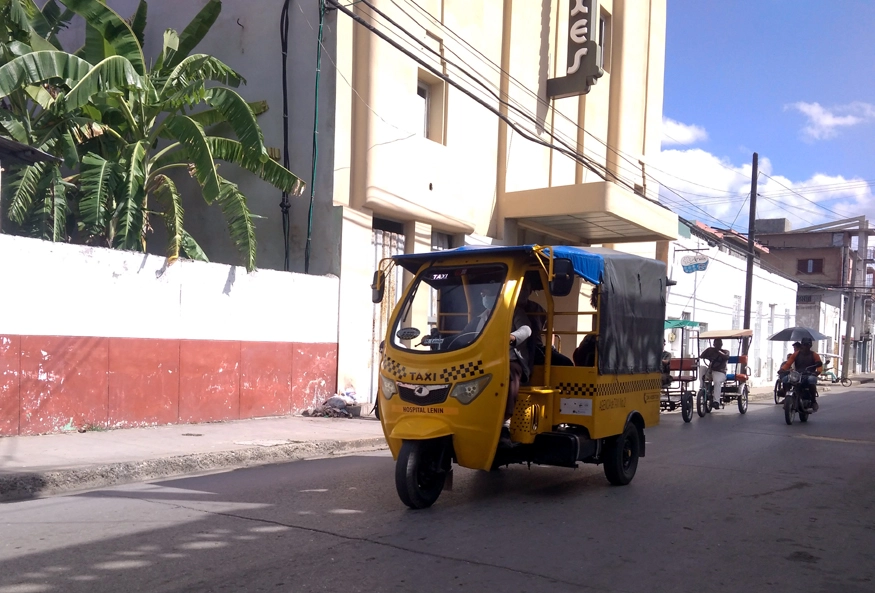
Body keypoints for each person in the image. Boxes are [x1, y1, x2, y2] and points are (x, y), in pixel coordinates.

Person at [520, 276, 574, 367]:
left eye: (525, 289)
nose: (522, 292)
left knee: (566, 363)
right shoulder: (509, 309)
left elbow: (549, 327)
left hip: (537, 349)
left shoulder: (537, 308)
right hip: (517, 348)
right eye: (521, 289)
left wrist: (551, 346)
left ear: (530, 291)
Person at [780, 337, 823, 411]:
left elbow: (819, 366)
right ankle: (787, 397)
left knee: (811, 380)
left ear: (810, 346)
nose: (806, 347)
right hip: (798, 374)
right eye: (804, 345)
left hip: (809, 374)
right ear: (802, 345)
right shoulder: (796, 354)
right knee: (785, 379)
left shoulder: (814, 355)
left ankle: (813, 401)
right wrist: (782, 369)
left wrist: (817, 372)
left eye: (808, 345)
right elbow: (788, 363)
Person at [700, 338, 731, 408]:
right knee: (702, 368)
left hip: (720, 372)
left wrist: (717, 351)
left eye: (719, 344)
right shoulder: (711, 351)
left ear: (721, 345)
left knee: (717, 381)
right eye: (716, 344)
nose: (717, 345)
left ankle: (716, 401)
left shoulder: (726, 351)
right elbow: (701, 356)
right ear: (714, 344)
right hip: (711, 371)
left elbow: (726, 357)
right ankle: (702, 387)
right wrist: (708, 350)